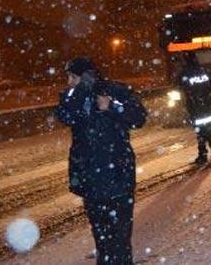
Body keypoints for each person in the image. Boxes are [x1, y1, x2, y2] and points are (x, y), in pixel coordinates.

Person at [56, 57, 146, 265]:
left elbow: (139, 117)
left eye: (73, 77)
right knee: (102, 238)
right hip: (91, 181)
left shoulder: (116, 91)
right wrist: (81, 91)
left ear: (87, 75)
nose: (69, 82)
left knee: (120, 238)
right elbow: (64, 114)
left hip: (119, 178)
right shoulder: (74, 97)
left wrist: (112, 107)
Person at [176, 52, 211, 166]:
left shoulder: (185, 74)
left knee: (201, 133)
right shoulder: (207, 71)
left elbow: (179, 87)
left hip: (198, 110)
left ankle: (203, 155)